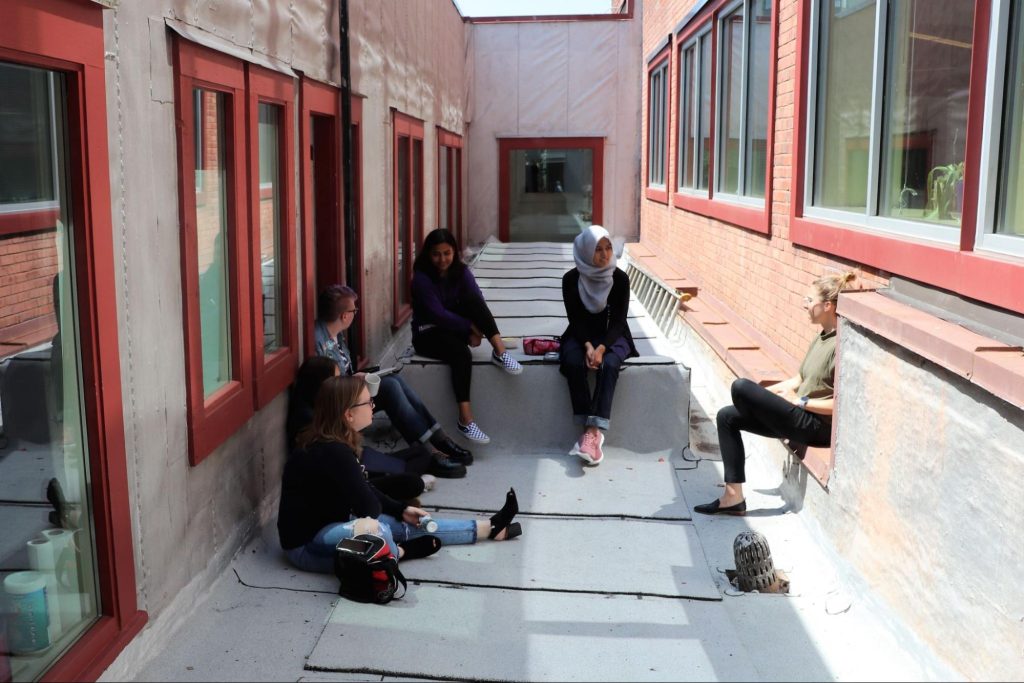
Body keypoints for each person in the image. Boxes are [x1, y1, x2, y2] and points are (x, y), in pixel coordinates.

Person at [278, 375, 523, 572]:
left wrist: (401, 510)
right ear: (348, 414)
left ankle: (489, 527)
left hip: (335, 523)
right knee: (377, 529)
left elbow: (366, 489)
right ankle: (402, 552)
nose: (373, 406)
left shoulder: (335, 443)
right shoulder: (333, 451)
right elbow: (369, 507)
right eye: (367, 402)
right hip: (308, 547)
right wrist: (379, 508)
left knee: (407, 522)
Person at [694, 271, 857, 516]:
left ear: (827, 305)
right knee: (727, 416)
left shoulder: (840, 346)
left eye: (809, 300)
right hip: (797, 415)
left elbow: (840, 407)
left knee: (740, 387)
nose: (805, 304)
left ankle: (753, 404)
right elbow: (800, 378)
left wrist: (800, 401)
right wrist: (765, 396)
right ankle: (733, 497)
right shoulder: (821, 337)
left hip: (815, 425)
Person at [315, 284, 472, 478]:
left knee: (394, 379)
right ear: (344, 316)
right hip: (341, 404)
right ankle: (431, 453)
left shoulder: (337, 334)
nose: (355, 314)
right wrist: (353, 381)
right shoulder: (318, 341)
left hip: (351, 391)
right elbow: (328, 387)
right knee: (389, 387)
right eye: (354, 310)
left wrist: (358, 377)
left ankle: (440, 439)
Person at [410, 228, 523, 445]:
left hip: (450, 327)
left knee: (474, 300)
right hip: (428, 334)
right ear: (428, 254)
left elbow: (476, 299)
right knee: (461, 354)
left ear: (454, 252)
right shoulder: (421, 279)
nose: (442, 259)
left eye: (447, 253)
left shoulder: (460, 272)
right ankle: (466, 420)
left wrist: (476, 327)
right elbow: (437, 314)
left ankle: (500, 351)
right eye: (436, 254)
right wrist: (469, 328)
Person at [286, 356, 434, 501]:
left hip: (358, 461)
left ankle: (397, 475)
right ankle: (395, 477)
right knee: (413, 483)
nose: (373, 406)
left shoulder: (324, 406)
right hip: (353, 473)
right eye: (337, 379)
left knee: (421, 453)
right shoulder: (317, 422)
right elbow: (364, 502)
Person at [560, 225, 637, 466]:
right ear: (584, 251)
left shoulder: (620, 278)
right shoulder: (571, 279)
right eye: (597, 250)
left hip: (613, 336)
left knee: (610, 364)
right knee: (572, 362)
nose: (604, 255)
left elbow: (618, 321)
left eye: (608, 248)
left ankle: (593, 431)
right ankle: (588, 429)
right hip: (580, 334)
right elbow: (574, 318)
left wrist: (601, 348)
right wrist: (587, 346)